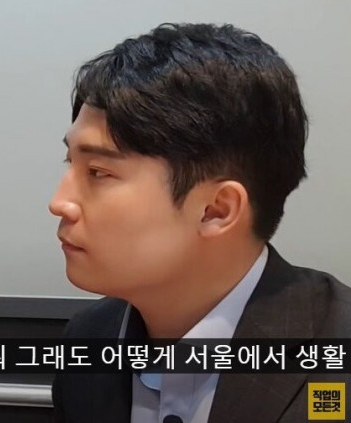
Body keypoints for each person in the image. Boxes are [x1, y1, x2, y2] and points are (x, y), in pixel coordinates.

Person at [49, 23, 351, 423]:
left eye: (99, 173)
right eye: (71, 162)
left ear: (216, 210)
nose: (59, 203)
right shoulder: (89, 340)